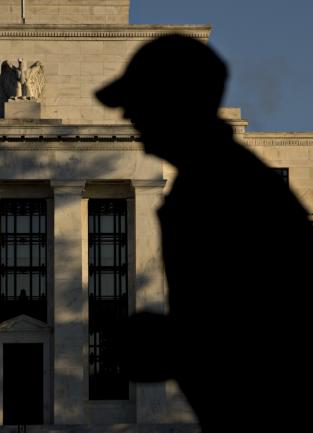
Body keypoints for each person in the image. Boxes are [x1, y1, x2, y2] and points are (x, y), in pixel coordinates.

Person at [95, 34, 313, 432]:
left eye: (138, 99)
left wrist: (166, 342)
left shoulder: (224, 189)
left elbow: (257, 331)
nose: (128, 115)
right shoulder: (212, 180)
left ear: (174, 103)